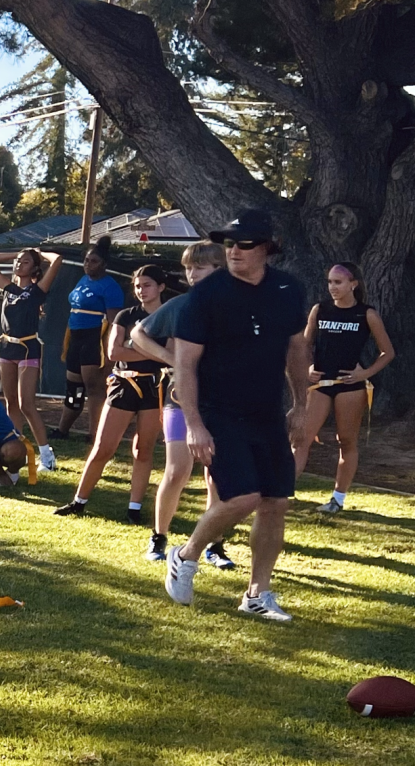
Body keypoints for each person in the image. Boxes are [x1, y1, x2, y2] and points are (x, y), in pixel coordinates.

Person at [164, 209, 308, 622]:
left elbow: (298, 350)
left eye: (243, 244)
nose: (234, 252)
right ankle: (186, 554)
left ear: (266, 249)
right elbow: (185, 365)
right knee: (242, 495)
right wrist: (193, 423)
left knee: (275, 501)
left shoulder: (287, 288)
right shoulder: (206, 296)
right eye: (228, 244)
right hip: (217, 411)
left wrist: (301, 404)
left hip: (266, 412)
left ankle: (257, 594)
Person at [130, 242, 233, 568]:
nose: (192, 274)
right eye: (188, 268)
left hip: (220, 401)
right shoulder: (181, 305)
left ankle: (214, 545)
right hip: (180, 399)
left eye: (199, 267)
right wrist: (168, 357)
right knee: (177, 471)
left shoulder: (236, 306)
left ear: (219, 270)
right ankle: (158, 538)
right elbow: (138, 334)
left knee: (217, 476)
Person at [55, 266, 168, 521]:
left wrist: (138, 347)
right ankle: (79, 501)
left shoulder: (171, 316)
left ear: (161, 287)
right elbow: (114, 353)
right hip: (123, 384)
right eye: (138, 286)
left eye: (147, 285)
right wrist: (155, 353)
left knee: (144, 449)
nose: (141, 291)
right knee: (103, 447)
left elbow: (172, 354)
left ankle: (134, 508)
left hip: (154, 387)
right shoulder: (126, 316)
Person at [292, 262, 394, 513]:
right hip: (321, 384)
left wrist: (364, 373)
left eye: (338, 282)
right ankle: (281, 493)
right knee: (301, 437)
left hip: (350, 387)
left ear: (353, 285)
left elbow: (387, 352)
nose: (332, 287)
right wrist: (307, 369)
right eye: (329, 282)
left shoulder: (366, 314)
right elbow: (304, 346)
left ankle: (337, 499)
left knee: (346, 441)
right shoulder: (320, 310)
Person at [0, 248, 64, 473]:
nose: (19, 264)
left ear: (35, 268)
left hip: (28, 349)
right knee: (10, 402)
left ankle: (46, 455)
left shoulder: (38, 290)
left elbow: (57, 259)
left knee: (27, 403)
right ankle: (16, 451)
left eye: (25, 262)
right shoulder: (9, 288)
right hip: (8, 348)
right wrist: (15, 255)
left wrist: (37, 253)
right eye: (18, 261)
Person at [51, 236, 125, 441]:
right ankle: (63, 429)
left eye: (94, 261)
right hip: (75, 337)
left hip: (94, 340)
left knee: (94, 387)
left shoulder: (110, 287)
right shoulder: (83, 279)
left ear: (104, 264)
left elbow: (114, 322)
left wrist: (110, 353)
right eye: (86, 260)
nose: (88, 265)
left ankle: (95, 433)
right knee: (74, 387)